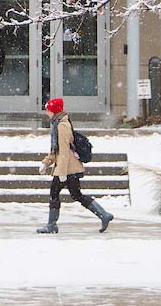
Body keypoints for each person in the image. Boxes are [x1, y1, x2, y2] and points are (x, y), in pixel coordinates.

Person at [37, 98, 113, 234]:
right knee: (76, 194)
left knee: (56, 193)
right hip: (67, 167)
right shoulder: (58, 123)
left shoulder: (62, 125)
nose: (46, 112)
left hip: (68, 168)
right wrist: (46, 162)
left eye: (48, 110)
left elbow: (64, 150)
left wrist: (62, 173)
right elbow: (57, 150)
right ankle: (103, 214)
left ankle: (52, 224)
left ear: (54, 111)